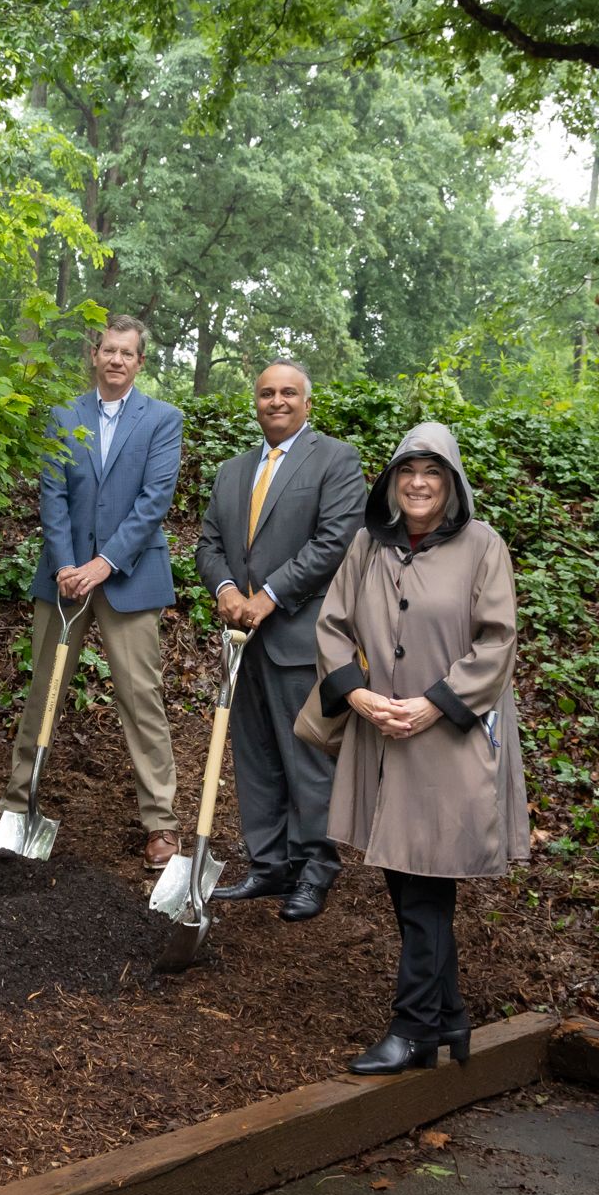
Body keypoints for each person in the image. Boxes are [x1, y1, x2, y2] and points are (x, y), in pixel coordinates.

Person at [313, 422, 527, 1074]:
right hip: (384, 736)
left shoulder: (483, 546)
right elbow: (331, 625)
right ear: (391, 480)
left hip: (449, 741)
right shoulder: (367, 547)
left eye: (432, 472)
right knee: (409, 884)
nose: (418, 483)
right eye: (407, 471)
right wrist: (358, 696)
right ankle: (450, 1019)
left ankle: (413, 1029)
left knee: (428, 886)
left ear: (452, 481)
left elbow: (498, 641)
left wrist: (435, 702)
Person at [0, 313, 186, 870]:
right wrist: (69, 565)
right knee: (43, 693)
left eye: (128, 353)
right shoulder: (62, 417)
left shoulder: (163, 420)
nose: (117, 360)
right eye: (108, 350)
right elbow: (53, 497)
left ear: (140, 363)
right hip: (64, 580)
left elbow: (153, 502)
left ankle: (161, 825)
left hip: (131, 580)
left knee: (142, 701)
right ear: (94, 355)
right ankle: (18, 808)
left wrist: (102, 564)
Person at [194, 362, 364, 921]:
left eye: (288, 392)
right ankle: (268, 866)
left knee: (307, 758)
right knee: (256, 755)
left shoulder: (335, 460)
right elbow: (209, 543)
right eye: (267, 393)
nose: (277, 401)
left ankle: (315, 869)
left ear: (307, 403)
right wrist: (224, 589)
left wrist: (268, 595)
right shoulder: (232, 471)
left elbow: (335, 541)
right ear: (256, 403)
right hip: (242, 637)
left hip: (298, 633)